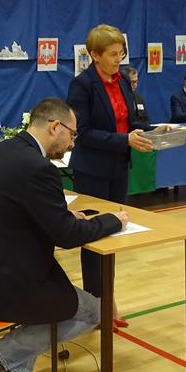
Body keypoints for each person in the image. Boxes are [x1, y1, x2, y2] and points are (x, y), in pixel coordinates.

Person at [0, 97, 129, 372]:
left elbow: (22, 209)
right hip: (6, 284)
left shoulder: (1, 151)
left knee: (73, 301)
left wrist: (60, 214)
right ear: (54, 127)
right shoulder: (38, 168)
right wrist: (112, 221)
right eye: (72, 134)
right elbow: (67, 236)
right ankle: (1, 355)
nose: (72, 143)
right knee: (95, 311)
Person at [66, 24, 154, 328]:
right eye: (113, 54)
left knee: (114, 233)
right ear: (95, 55)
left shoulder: (123, 81)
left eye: (121, 53)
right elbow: (83, 132)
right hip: (92, 170)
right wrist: (124, 139)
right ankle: (97, 307)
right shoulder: (82, 85)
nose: (119, 59)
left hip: (118, 167)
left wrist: (152, 131)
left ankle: (108, 299)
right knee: (94, 237)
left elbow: (130, 121)